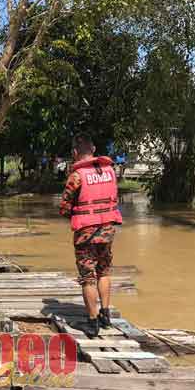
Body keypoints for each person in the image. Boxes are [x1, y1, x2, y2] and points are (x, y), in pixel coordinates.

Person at [59, 134, 122, 339]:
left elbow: (64, 207)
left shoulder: (76, 176)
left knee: (88, 278)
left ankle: (92, 323)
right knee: (104, 272)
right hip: (108, 231)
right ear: (93, 149)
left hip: (85, 234)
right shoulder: (110, 171)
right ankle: (105, 315)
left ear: (75, 153)